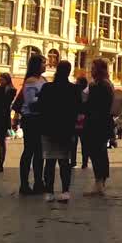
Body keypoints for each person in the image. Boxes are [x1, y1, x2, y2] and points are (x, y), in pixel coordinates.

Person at [35, 61, 81, 203]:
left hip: (48, 128)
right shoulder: (74, 89)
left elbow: (40, 106)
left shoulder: (47, 87)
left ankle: (49, 192)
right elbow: (78, 108)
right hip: (66, 129)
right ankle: (65, 191)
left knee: (49, 162)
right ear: (69, 72)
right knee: (64, 162)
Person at [82, 58, 117, 197]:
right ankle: (101, 183)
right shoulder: (108, 84)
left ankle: (99, 183)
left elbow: (92, 105)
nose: (91, 70)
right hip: (104, 122)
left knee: (96, 153)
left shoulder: (99, 85)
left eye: (94, 67)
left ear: (99, 70)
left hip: (96, 123)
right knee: (101, 152)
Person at [15, 54, 47, 195]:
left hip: (41, 119)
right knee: (29, 151)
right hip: (31, 119)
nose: (45, 65)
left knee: (40, 153)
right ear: (36, 65)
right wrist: (43, 98)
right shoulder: (30, 81)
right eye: (43, 63)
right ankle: (24, 184)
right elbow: (30, 101)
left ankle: (39, 182)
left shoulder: (43, 79)